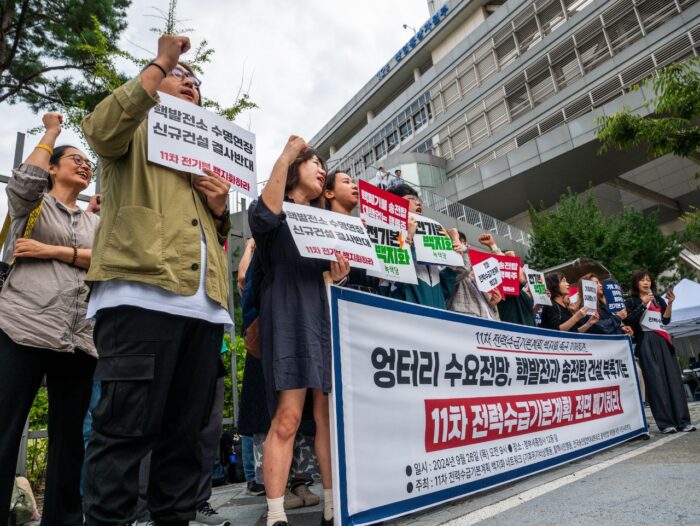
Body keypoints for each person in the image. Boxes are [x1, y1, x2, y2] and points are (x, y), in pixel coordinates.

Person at [81, 34, 233, 525]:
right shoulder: (135, 127)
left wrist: (219, 209)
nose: (190, 83)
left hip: (203, 309)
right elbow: (100, 130)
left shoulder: (207, 159)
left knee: (185, 444)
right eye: (180, 75)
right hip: (140, 298)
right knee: (123, 437)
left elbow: (209, 236)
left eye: (196, 81)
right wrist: (162, 61)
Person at [0, 112, 99, 526]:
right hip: (23, 325)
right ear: (53, 168)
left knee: (69, 438)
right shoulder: (33, 205)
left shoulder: (95, 220)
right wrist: (52, 131)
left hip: (80, 336)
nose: (84, 165)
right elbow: (24, 181)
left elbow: (107, 261)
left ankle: (64, 520)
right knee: (5, 429)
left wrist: (52, 251)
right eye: (74, 159)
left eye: (88, 162)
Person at [249, 136, 350, 526]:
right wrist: (289, 151)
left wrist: (338, 275)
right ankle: (276, 515)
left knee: (326, 417)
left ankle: (332, 507)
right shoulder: (275, 213)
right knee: (289, 416)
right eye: (314, 162)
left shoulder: (326, 220)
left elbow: (331, 272)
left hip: (322, 317)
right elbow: (262, 217)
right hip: (288, 315)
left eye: (323, 165)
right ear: (294, 170)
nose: (322, 169)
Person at [624, 270, 695, 433]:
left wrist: (669, 303)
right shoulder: (632, 301)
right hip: (646, 341)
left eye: (648, 280)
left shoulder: (657, 299)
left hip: (663, 340)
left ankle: (683, 421)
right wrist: (643, 304)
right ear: (636, 283)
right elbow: (629, 320)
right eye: (642, 280)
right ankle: (666, 423)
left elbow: (665, 320)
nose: (646, 282)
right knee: (656, 382)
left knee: (673, 380)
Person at [381, 184, 457, 308]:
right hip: (406, 315)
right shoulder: (386, 236)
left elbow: (443, 292)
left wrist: (453, 265)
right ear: (395, 205)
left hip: (437, 316)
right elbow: (398, 281)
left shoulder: (430, 241)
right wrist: (408, 237)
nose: (418, 203)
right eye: (411, 199)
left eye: (418, 200)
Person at [324, 170, 378, 293]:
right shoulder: (321, 229)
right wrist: (337, 280)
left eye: (353, 182)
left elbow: (374, 279)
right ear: (329, 193)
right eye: (346, 182)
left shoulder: (365, 231)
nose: (354, 186)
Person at [446, 231, 501, 319]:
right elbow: (463, 270)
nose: (462, 246)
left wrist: (492, 245)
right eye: (456, 243)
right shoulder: (448, 267)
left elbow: (500, 266)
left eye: (463, 243)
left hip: (488, 320)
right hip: (465, 320)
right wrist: (458, 242)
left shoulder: (478, 271)